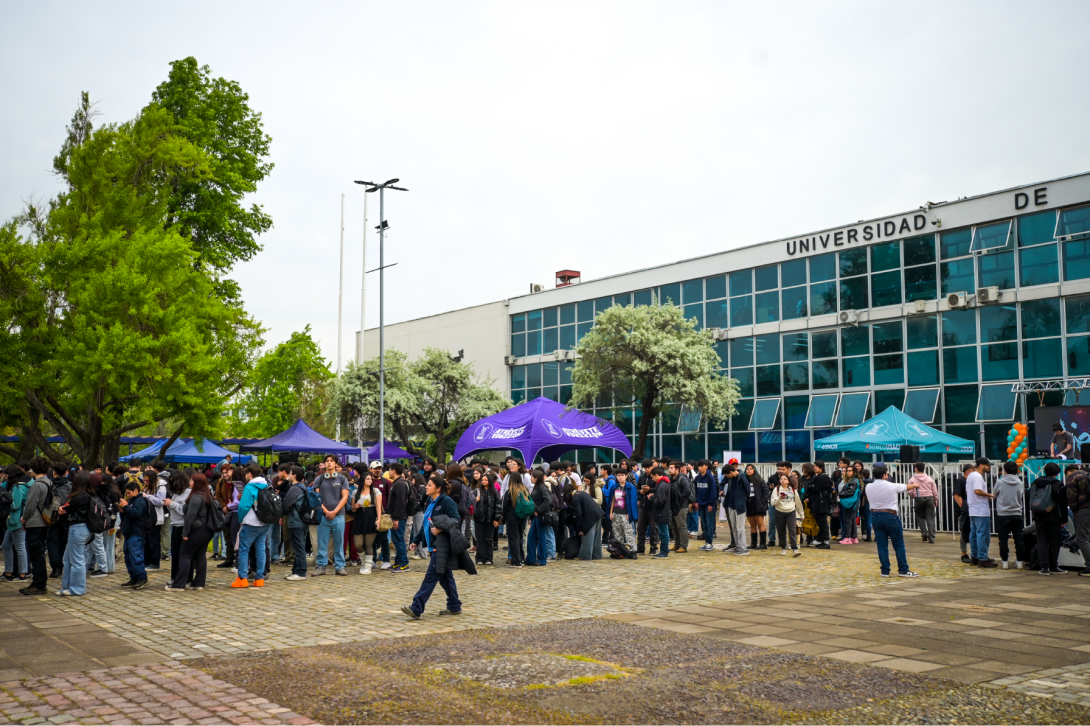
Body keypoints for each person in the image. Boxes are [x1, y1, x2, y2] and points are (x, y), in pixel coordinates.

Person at [402, 475, 475, 619]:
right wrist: (416, 540)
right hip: (432, 545)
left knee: (430, 577)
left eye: (429, 485)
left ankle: (416, 608)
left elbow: (455, 520)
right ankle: (454, 605)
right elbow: (427, 523)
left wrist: (441, 529)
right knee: (445, 578)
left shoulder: (446, 501)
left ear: (438, 488)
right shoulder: (430, 501)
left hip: (441, 546)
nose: (427, 487)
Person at [867, 465, 920, 578]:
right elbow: (906, 487)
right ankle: (903, 569)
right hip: (890, 515)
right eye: (886, 474)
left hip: (875, 515)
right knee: (898, 544)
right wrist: (916, 485)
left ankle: (885, 570)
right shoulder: (891, 485)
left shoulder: (868, 487)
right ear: (884, 475)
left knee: (881, 545)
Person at [166, 473, 216, 592]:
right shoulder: (208, 495)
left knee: (185, 555)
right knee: (200, 556)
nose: (190, 482)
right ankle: (198, 583)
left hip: (197, 529)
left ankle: (179, 584)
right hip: (207, 530)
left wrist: (185, 533)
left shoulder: (195, 497)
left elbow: (190, 516)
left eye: (192, 481)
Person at [232, 463, 272, 588]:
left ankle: (242, 578)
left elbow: (243, 506)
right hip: (264, 523)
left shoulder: (249, 487)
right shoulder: (266, 485)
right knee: (261, 550)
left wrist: (240, 518)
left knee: (244, 550)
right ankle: (259, 578)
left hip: (250, 522)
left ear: (249, 474)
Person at [19, 457, 54, 596]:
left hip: (35, 522)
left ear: (33, 469)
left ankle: (39, 584)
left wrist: (24, 518)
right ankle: (38, 582)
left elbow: (30, 505)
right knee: (39, 553)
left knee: (36, 554)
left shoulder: (36, 485)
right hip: (45, 520)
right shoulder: (49, 482)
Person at [54, 472, 93, 596]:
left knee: (76, 559)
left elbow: (66, 509)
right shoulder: (89, 495)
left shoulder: (79, 497)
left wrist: (61, 509)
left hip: (77, 528)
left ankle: (77, 588)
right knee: (68, 559)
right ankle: (68, 586)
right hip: (82, 528)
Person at [313, 454, 350, 577]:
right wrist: (326, 511)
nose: (329, 463)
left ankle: (340, 566)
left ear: (335, 464)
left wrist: (334, 511)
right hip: (323, 516)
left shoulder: (342, 479)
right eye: (327, 461)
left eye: (331, 461)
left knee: (339, 542)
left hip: (338, 516)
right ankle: (320, 566)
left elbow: (345, 497)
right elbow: (316, 497)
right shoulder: (319, 479)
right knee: (322, 542)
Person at [1030, 462, 1068, 575]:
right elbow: (1062, 503)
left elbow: (1031, 498)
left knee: (1042, 541)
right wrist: (1064, 519)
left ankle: (1044, 567)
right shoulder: (1058, 484)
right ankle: (1054, 566)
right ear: (1057, 473)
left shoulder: (1036, 482)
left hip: (1039, 515)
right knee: (1054, 542)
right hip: (1054, 516)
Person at [994, 460, 1027, 570]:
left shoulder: (999, 482)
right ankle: (1019, 562)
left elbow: (994, 495)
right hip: (1017, 513)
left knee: (1003, 539)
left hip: (1003, 514)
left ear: (1004, 470)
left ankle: (1004, 562)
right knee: (1019, 539)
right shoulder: (1021, 483)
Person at [118, 478, 149, 590]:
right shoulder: (132, 501)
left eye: (129, 493)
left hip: (136, 532)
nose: (128, 495)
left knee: (136, 556)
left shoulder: (140, 501)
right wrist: (123, 510)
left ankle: (142, 578)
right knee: (128, 557)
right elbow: (129, 514)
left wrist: (126, 507)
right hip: (129, 532)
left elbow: (136, 513)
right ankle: (134, 577)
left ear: (136, 490)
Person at [279, 466, 310, 581]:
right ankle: (295, 571)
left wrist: (284, 510)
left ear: (295, 475)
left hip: (296, 521)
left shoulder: (294, 489)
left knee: (298, 547)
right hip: (303, 520)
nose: (289, 475)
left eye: (290, 473)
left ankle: (301, 572)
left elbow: (285, 505)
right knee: (299, 545)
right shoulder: (303, 488)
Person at [966, 458, 997, 568]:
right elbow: (977, 491)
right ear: (981, 465)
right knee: (983, 534)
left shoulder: (970, 475)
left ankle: (974, 556)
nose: (989, 467)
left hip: (973, 508)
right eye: (987, 465)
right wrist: (990, 495)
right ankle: (982, 558)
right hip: (980, 509)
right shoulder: (978, 476)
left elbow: (969, 491)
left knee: (974, 534)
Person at [350, 471, 381, 574]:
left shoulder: (375, 491)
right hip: (359, 516)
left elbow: (378, 506)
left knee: (369, 543)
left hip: (371, 515)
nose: (370, 481)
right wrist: (356, 506)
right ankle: (364, 562)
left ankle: (368, 566)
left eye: (370, 479)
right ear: (363, 480)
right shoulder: (355, 492)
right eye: (368, 479)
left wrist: (378, 519)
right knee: (358, 543)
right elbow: (353, 509)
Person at [3, 464, 30, 582]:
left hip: (16, 520)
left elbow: (15, 505)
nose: (4, 477)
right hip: (15, 520)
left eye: (6, 474)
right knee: (6, 545)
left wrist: (5, 499)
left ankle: (22, 573)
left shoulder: (17, 487)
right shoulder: (24, 484)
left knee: (19, 547)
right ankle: (9, 572)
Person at [500, 472, 531, 567]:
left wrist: (503, 518)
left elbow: (505, 507)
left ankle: (516, 561)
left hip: (512, 517)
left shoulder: (510, 491)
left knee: (513, 539)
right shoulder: (524, 490)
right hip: (523, 517)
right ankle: (521, 558)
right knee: (520, 537)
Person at [46, 462, 71, 579]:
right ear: (67, 472)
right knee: (64, 541)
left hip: (52, 516)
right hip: (67, 516)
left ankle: (55, 567)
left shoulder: (48, 485)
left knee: (52, 541)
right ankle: (62, 564)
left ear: (54, 472)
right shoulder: (71, 486)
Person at [525, 469, 554, 566]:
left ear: (536, 478)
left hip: (541, 515)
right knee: (531, 537)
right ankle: (531, 558)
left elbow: (547, 501)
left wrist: (538, 510)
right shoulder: (536, 487)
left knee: (541, 537)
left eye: (532, 477)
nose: (531, 479)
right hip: (536, 515)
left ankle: (542, 559)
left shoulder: (542, 487)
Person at [385, 463, 411, 573]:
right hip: (396, 516)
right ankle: (398, 562)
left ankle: (404, 563)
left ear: (394, 471)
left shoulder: (400, 484)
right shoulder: (397, 483)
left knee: (399, 540)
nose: (388, 473)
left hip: (399, 517)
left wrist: (396, 518)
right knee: (396, 540)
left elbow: (400, 503)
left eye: (389, 470)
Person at [1065, 465, 1090, 576]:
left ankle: (1089, 567)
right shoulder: (1087, 474)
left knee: (1082, 539)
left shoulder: (1072, 477)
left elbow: (1071, 496)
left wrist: (1074, 510)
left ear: (1068, 472)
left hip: (1083, 510)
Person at [605, 468, 638, 550]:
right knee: (617, 534)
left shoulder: (630, 487)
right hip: (616, 513)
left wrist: (629, 514)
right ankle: (619, 550)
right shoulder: (614, 487)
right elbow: (612, 500)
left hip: (625, 514)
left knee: (629, 533)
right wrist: (611, 512)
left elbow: (632, 502)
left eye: (622, 475)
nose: (620, 477)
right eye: (619, 475)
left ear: (626, 476)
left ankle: (633, 549)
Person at [770, 472, 802, 557]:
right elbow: (772, 503)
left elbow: (798, 502)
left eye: (785, 479)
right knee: (781, 531)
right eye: (781, 479)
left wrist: (801, 514)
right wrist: (779, 498)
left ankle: (794, 548)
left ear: (788, 481)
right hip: (779, 511)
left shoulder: (792, 490)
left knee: (792, 530)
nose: (783, 480)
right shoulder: (776, 489)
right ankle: (783, 547)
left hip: (791, 511)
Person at [472, 470, 499, 565]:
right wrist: (476, 500)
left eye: (486, 480)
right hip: (479, 519)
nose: (483, 482)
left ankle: (488, 558)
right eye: (482, 480)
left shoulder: (494, 492)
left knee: (488, 539)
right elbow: (470, 504)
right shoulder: (477, 491)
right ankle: (479, 558)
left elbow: (498, 506)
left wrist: (497, 518)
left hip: (490, 519)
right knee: (479, 539)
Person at [908, 463, 938, 544]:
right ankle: (931, 537)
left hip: (918, 498)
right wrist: (935, 499)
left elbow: (910, 491)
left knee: (920, 516)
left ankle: (924, 534)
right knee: (930, 518)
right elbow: (934, 491)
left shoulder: (912, 479)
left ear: (916, 469)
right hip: (929, 498)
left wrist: (913, 496)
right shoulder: (929, 479)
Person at [721, 464, 748, 555]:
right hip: (730, 505)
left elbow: (747, 489)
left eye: (727, 475)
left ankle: (743, 548)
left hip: (739, 506)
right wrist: (721, 490)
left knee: (740, 528)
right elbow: (721, 483)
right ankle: (737, 546)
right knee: (734, 528)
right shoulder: (729, 477)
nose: (727, 477)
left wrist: (743, 500)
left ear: (731, 472)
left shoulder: (742, 477)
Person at [807, 461, 834, 550]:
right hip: (818, 503)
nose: (815, 468)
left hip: (822, 503)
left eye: (816, 466)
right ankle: (822, 540)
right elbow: (810, 487)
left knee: (823, 522)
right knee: (820, 522)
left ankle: (826, 541)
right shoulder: (817, 477)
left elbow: (815, 488)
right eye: (814, 466)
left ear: (821, 468)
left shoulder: (823, 477)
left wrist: (812, 487)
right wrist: (812, 486)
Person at [742, 464, 769, 551]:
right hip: (748, 504)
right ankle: (753, 543)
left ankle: (763, 544)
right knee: (752, 524)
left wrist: (763, 501)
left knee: (760, 523)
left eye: (751, 469)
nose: (749, 470)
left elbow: (766, 491)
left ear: (754, 470)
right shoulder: (744, 480)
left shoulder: (759, 480)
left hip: (758, 504)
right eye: (747, 469)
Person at [648, 466, 672, 558]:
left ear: (657, 475)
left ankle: (664, 551)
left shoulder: (661, 485)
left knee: (663, 533)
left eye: (653, 477)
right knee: (664, 532)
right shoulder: (666, 483)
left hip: (661, 512)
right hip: (664, 512)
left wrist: (651, 497)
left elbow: (660, 501)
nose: (653, 479)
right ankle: (664, 550)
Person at [667, 461, 691, 553]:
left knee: (681, 526)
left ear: (677, 469)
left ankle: (683, 546)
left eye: (671, 468)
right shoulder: (671, 479)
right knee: (673, 526)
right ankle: (677, 544)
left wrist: (678, 499)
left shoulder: (682, 478)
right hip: (673, 507)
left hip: (681, 506)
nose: (669, 470)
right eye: (669, 468)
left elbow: (687, 491)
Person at [837, 465, 862, 545]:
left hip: (851, 503)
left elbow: (850, 492)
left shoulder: (853, 481)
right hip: (854, 503)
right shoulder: (855, 480)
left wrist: (840, 494)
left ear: (854, 472)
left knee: (847, 519)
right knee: (852, 520)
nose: (847, 472)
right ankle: (853, 537)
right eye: (847, 470)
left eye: (849, 471)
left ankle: (847, 538)